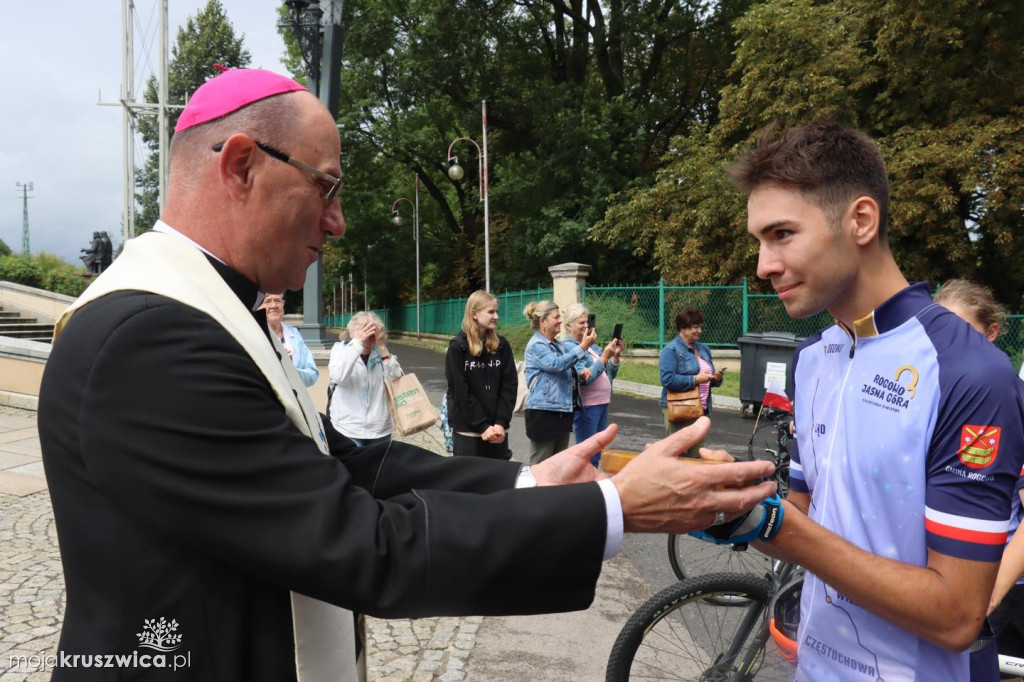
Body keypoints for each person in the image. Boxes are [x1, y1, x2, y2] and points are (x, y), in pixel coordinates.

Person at [36, 67, 778, 681]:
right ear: (240, 166)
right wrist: (615, 508)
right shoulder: (150, 334)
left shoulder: (195, 311)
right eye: (326, 188)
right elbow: (361, 542)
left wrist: (531, 484)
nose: (337, 223)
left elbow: (348, 467)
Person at [716, 121, 1024, 681]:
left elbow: (958, 616)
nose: (763, 265)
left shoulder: (969, 373)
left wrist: (779, 527)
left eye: (782, 234)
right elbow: (809, 522)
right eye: (759, 241)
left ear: (861, 220)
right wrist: (732, 508)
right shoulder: (814, 358)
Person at [935, 279, 1024, 681]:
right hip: (936, 584)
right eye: (939, 333)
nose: (948, 348)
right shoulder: (928, 392)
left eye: (963, 334)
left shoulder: (1004, 399)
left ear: (992, 332)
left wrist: (988, 596)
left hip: (998, 583)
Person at [444, 290, 517, 459]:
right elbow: (460, 392)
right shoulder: (457, 347)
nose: (496, 316)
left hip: (497, 433)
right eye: (491, 312)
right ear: (474, 314)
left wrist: (501, 422)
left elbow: (509, 386)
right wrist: (482, 426)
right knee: (469, 483)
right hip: (469, 433)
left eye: (496, 311)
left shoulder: (502, 346)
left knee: (499, 482)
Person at [523, 300, 590, 464]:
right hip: (544, 413)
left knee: (558, 466)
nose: (560, 320)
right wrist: (582, 347)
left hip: (563, 412)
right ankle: (534, 491)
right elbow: (556, 364)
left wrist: (581, 373)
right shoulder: (536, 345)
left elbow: (569, 364)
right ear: (543, 321)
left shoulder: (559, 345)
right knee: (541, 465)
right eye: (556, 317)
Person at [562, 303, 623, 467]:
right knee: (587, 453)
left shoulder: (592, 345)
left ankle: (590, 485)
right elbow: (584, 378)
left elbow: (608, 374)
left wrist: (614, 357)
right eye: (581, 323)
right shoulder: (569, 347)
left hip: (601, 403)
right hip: (587, 406)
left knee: (597, 451)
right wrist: (604, 357)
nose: (586, 326)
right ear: (568, 325)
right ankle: (584, 488)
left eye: (587, 322)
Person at [328, 310, 402, 446]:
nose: (368, 337)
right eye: (364, 331)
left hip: (379, 429)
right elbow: (340, 377)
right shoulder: (340, 350)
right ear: (352, 332)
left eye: (372, 332)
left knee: (378, 467)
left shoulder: (381, 354)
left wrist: (381, 346)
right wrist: (357, 343)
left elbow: (397, 380)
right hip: (347, 427)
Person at [659, 307, 724, 457]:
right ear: (683, 328)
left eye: (700, 326)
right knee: (677, 455)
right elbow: (667, 380)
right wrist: (695, 379)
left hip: (701, 411)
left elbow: (707, 379)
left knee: (697, 456)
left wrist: (715, 378)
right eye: (696, 327)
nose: (699, 330)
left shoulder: (704, 349)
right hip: (679, 409)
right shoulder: (670, 350)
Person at [260, 292, 319, 387]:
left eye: (278, 301)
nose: (274, 305)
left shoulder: (295, 334)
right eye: (267, 301)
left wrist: (291, 370)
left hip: (295, 399)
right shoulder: (255, 335)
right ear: (259, 307)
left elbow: (312, 374)